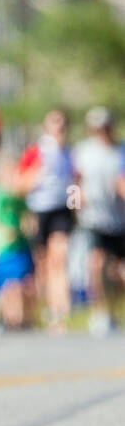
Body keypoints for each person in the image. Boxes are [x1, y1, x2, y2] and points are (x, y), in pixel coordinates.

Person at [18, 109, 77, 334]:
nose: (59, 128)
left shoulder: (70, 153)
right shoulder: (38, 150)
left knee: (59, 257)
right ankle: (47, 306)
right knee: (44, 264)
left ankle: (61, 309)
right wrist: (36, 176)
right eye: (55, 123)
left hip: (61, 209)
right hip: (39, 209)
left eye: (62, 123)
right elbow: (19, 184)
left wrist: (76, 204)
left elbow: (75, 182)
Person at [72, 107, 125, 336]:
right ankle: (99, 312)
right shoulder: (83, 151)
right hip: (92, 217)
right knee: (96, 263)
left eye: (104, 127)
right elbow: (75, 179)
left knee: (115, 271)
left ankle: (113, 311)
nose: (101, 132)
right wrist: (76, 201)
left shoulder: (119, 151)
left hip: (117, 218)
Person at [0, 166, 35, 331]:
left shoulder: (19, 196)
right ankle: (8, 317)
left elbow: (27, 217)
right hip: (2, 248)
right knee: (6, 285)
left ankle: (20, 318)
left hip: (19, 245)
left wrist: (28, 229)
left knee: (20, 283)